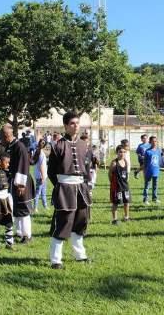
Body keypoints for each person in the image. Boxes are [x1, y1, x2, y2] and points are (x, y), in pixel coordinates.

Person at [48, 112, 93, 269]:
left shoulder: (83, 145)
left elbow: (87, 169)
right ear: (66, 126)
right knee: (64, 223)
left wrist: (87, 186)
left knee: (80, 222)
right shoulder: (57, 146)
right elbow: (51, 172)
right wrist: (61, 186)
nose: (76, 126)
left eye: (78, 123)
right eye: (72, 123)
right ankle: (56, 259)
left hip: (81, 188)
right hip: (65, 188)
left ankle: (80, 255)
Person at [0, 124, 35, 243]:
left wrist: (21, 184)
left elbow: (23, 165)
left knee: (23, 208)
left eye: (1, 137)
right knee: (16, 208)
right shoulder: (11, 146)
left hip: (21, 181)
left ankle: (27, 235)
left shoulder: (19, 146)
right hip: (13, 180)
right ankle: (19, 232)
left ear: (7, 136)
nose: (0, 140)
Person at [109, 145, 131, 224]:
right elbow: (110, 174)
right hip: (117, 187)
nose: (122, 153)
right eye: (120, 152)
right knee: (116, 203)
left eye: (124, 152)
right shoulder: (114, 163)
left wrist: (127, 182)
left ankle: (126, 217)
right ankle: (114, 219)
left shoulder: (126, 161)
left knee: (127, 202)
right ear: (117, 153)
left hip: (125, 186)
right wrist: (113, 183)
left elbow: (126, 173)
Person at [141, 136, 162, 205]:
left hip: (156, 171)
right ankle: (145, 199)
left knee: (155, 186)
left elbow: (159, 161)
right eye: (153, 141)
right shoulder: (147, 151)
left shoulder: (158, 151)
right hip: (148, 172)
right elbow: (145, 163)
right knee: (147, 186)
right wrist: (144, 172)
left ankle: (154, 198)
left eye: (155, 141)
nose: (154, 143)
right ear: (150, 142)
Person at [33, 139, 48, 212]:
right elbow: (41, 166)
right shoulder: (41, 153)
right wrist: (43, 176)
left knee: (43, 192)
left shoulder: (37, 151)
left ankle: (45, 206)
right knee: (38, 192)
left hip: (39, 175)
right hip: (41, 176)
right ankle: (35, 207)